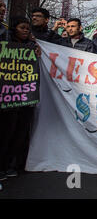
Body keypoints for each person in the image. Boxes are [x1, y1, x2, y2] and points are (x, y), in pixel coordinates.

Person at [0, 17, 40, 181]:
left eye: (28, 29)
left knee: (20, 134)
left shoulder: (32, 47)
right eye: (22, 28)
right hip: (7, 101)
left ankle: (10, 165)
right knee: (5, 134)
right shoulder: (5, 44)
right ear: (14, 28)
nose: (26, 31)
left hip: (25, 100)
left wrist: (37, 48)